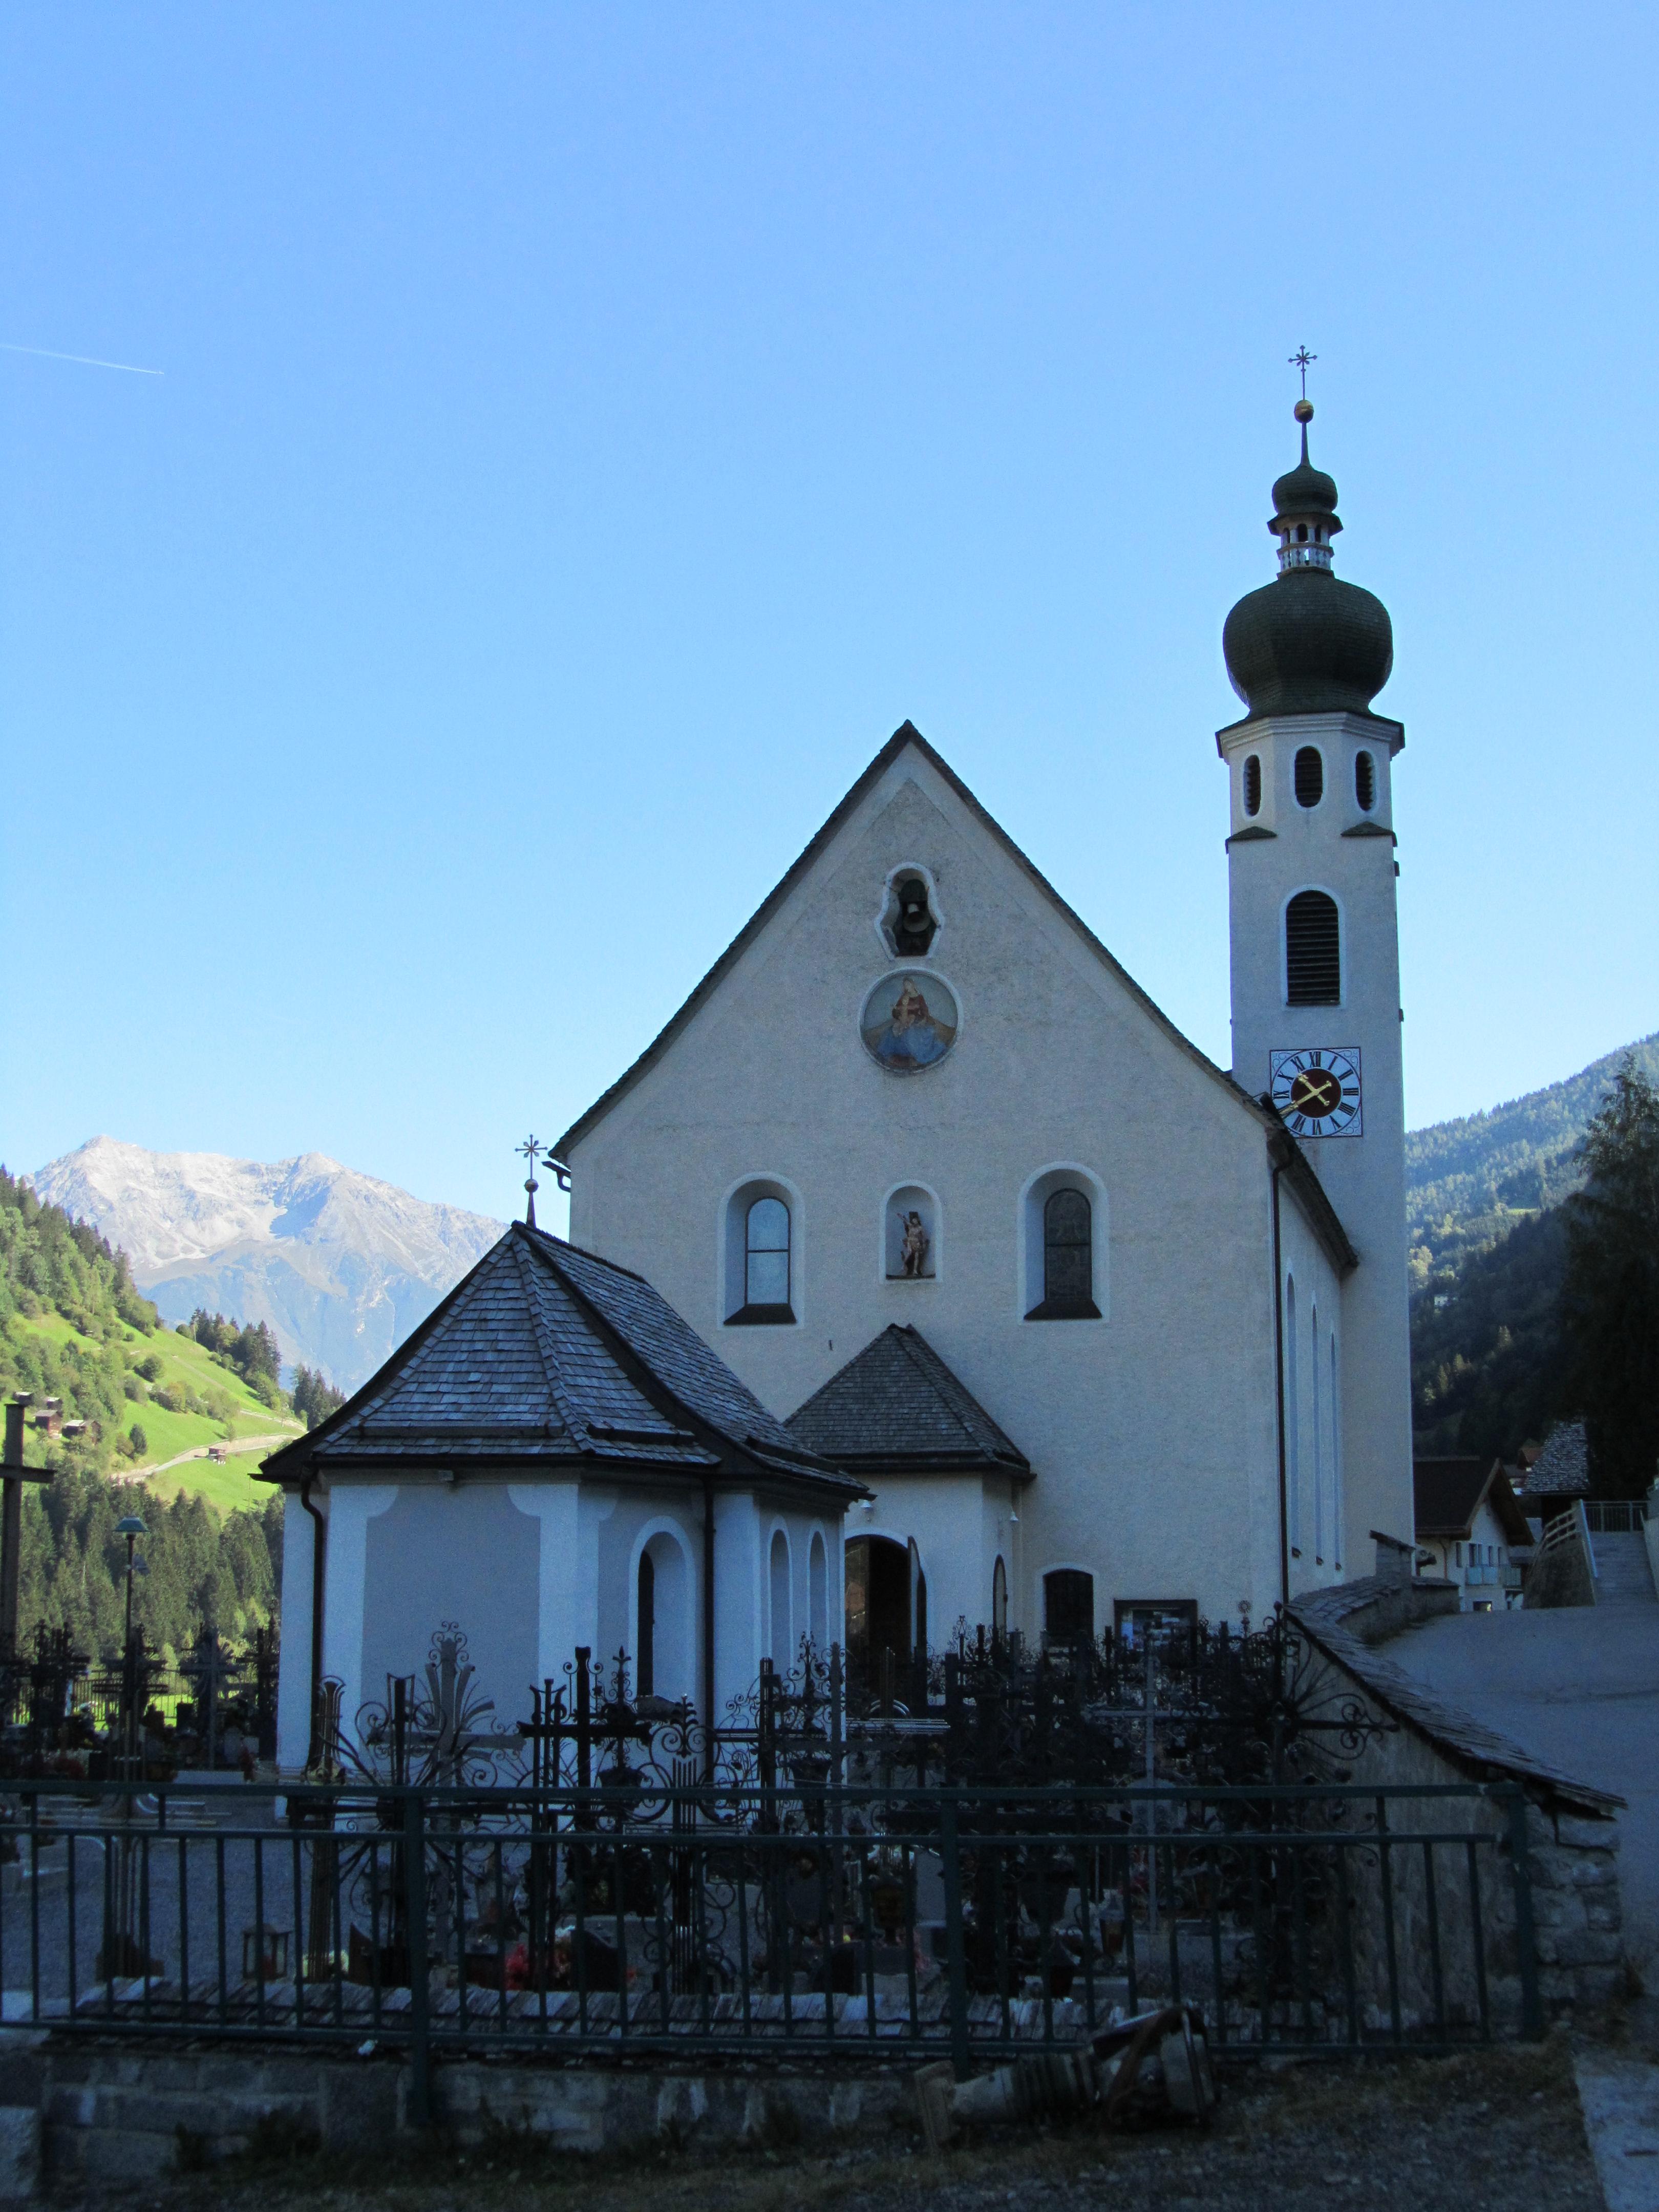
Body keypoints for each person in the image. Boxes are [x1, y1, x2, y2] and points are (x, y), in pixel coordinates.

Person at [864, 976, 955, 1070]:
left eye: (908, 985)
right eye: (905, 985)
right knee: (890, 1032)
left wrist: (921, 1020)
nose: (907, 987)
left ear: (913, 985)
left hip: (916, 1022)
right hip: (903, 1020)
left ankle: (919, 1057)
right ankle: (888, 1055)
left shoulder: (920, 998)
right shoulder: (904, 997)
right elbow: (897, 1011)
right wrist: (899, 1014)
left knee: (910, 1033)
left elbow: (925, 1012)